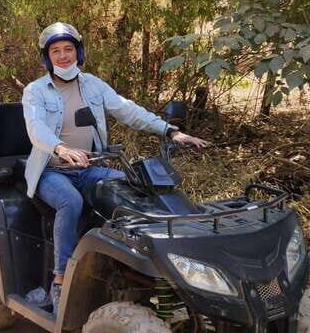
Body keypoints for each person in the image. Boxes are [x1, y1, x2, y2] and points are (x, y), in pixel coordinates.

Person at [22, 22, 208, 313]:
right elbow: (36, 129)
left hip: (91, 167)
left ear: (78, 52)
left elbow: (128, 110)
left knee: (133, 189)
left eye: (68, 49)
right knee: (69, 202)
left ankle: (136, 265)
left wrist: (170, 131)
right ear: (47, 57)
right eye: (55, 51)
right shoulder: (35, 91)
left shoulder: (94, 85)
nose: (63, 56)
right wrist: (61, 148)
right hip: (52, 169)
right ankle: (60, 279)